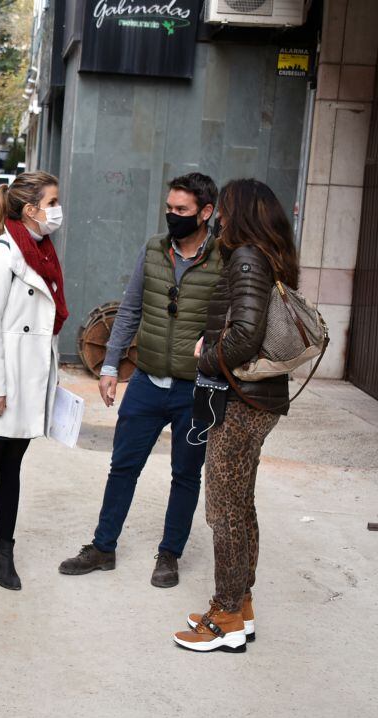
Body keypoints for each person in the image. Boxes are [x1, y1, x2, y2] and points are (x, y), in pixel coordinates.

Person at [59, 173, 221, 588]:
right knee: (123, 465)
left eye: (182, 210)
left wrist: (215, 344)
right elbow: (130, 308)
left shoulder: (224, 258)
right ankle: (103, 546)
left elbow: (235, 318)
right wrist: (111, 365)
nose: (173, 216)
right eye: (169, 208)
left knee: (185, 474)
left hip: (196, 388)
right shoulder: (154, 249)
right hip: (147, 381)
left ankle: (169, 554)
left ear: (205, 213)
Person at [174, 179, 299, 652]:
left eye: (224, 209)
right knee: (239, 506)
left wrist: (205, 357)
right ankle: (240, 605)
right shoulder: (268, 255)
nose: (218, 218)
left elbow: (245, 335)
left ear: (239, 212)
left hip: (241, 401)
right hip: (257, 399)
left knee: (223, 510)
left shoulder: (246, 256)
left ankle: (225, 616)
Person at [0, 172, 68, 597]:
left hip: (28, 379)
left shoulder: (41, 253)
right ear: (30, 209)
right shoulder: (2, 255)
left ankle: (5, 552)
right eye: (52, 202)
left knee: (11, 470)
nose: (57, 210)